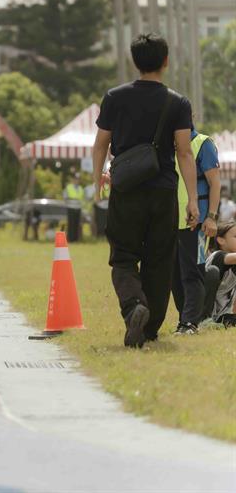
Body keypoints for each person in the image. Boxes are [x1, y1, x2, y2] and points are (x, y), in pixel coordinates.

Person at [92, 33, 198, 349]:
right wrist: (192, 200)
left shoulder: (114, 97)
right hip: (163, 191)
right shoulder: (177, 102)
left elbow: (101, 144)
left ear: (134, 61)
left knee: (123, 257)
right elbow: (184, 152)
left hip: (126, 191)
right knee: (159, 260)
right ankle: (149, 329)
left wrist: (97, 183)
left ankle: (132, 307)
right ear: (166, 61)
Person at [171, 123, 220, 335]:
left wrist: (211, 217)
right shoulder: (166, 145)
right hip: (169, 221)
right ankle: (186, 318)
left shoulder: (202, 143)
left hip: (196, 222)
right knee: (174, 275)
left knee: (192, 272)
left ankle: (190, 322)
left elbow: (215, 183)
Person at [201, 222, 236, 329]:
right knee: (213, 271)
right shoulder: (217, 256)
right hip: (202, 311)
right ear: (221, 240)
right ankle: (202, 320)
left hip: (221, 316)